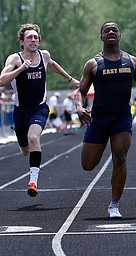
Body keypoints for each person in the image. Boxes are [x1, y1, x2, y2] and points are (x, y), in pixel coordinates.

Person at [75, 21, 136, 218]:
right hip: (99, 119)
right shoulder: (93, 64)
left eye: (114, 30)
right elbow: (81, 91)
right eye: (106, 30)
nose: (111, 32)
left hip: (121, 117)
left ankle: (114, 205)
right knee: (87, 165)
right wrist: (79, 107)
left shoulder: (132, 61)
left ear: (120, 35)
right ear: (101, 37)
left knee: (120, 156)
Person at [0, 23, 79, 197]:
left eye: (36, 37)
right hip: (20, 111)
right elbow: (2, 80)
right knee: (25, 151)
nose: (33, 40)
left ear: (39, 41)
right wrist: (21, 69)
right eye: (29, 37)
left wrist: (70, 79)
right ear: (22, 42)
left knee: (34, 138)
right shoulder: (15, 59)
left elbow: (52, 64)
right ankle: (25, 144)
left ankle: (33, 181)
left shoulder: (44, 56)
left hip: (40, 109)